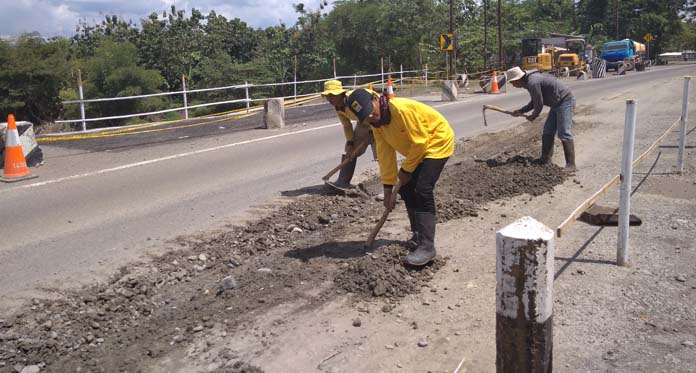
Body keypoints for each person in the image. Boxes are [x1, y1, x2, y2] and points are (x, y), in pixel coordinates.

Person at [347, 89, 454, 266]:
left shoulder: (400, 110)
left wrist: (405, 170)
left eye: (371, 110)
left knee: (422, 189)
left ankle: (427, 247)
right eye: (366, 116)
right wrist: (388, 188)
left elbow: (421, 142)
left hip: (437, 142)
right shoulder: (377, 124)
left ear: (375, 98)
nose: (372, 116)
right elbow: (385, 154)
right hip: (417, 150)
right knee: (405, 187)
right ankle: (418, 234)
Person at [506, 66, 577, 171]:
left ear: (517, 79)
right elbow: (535, 101)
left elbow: (539, 102)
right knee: (548, 131)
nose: (512, 85)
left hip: (564, 101)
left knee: (564, 132)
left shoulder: (532, 82)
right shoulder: (529, 81)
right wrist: (521, 111)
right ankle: (545, 159)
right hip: (556, 104)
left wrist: (534, 115)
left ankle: (571, 165)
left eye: (512, 82)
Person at [321, 80, 376, 190]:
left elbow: (373, 114)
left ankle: (389, 187)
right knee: (350, 150)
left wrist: (373, 131)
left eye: (332, 95)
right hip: (363, 122)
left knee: (382, 155)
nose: (329, 99)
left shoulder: (353, 100)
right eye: (327, 96)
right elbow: (346, 125)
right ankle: (343, 182)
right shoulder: (338, 106)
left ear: (340, 93)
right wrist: (350, 142)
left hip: (379, 121)